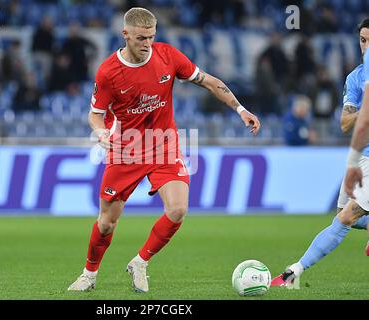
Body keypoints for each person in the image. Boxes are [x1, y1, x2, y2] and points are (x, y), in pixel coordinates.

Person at [67, 7, 260, 293]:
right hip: (126, 149)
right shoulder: (108, 72)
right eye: (141, 38)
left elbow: (208, 81)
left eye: (151, 37)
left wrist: (240, 109)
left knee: (178, 209)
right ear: (125, 35)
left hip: (163, 144)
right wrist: (100, 131)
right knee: (107, 223)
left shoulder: (167, 56)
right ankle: (89, 274)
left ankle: (140, 262)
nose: (147, 44)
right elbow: (94, 113)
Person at [271, 19, 369, 289]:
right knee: (344, 214)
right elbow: (345, 123)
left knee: (346, 218)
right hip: (361, 155)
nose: (365, 46)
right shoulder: (356, 78)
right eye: (362, 40)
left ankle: (294, 272)